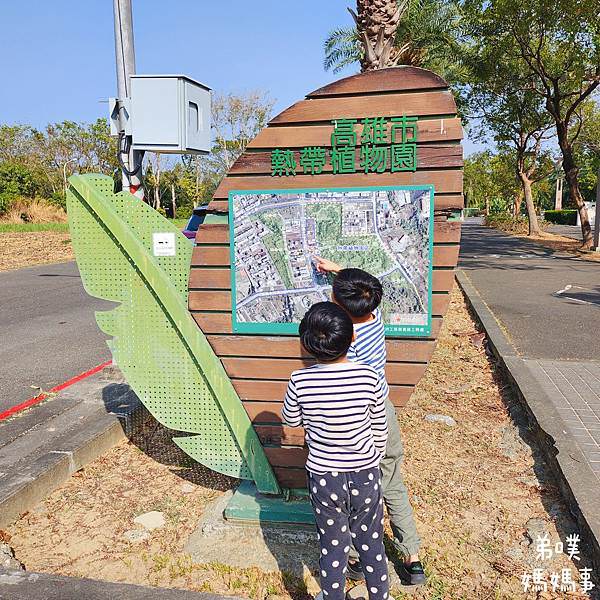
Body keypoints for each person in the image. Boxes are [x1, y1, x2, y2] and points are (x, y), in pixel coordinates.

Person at [313, 258, 426, 587]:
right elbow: (371, 285)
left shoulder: (346, 340)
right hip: (384, 410)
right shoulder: (375, 317)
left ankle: (355, 559)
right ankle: (412, 557)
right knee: (392, 482)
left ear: (340, 308)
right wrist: (338, 270)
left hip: (357, 419)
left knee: (354, 489)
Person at [282, 302, 390, 600]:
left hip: (324, 474)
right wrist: (375, 455)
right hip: (365, 473)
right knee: (371, 541)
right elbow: (379, 426)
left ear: (308, 344)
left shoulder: (299, 380)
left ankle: (332, 596)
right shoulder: (369, 377)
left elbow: (291, 420)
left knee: (333, 545)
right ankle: (379, 596)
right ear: (352, 337)